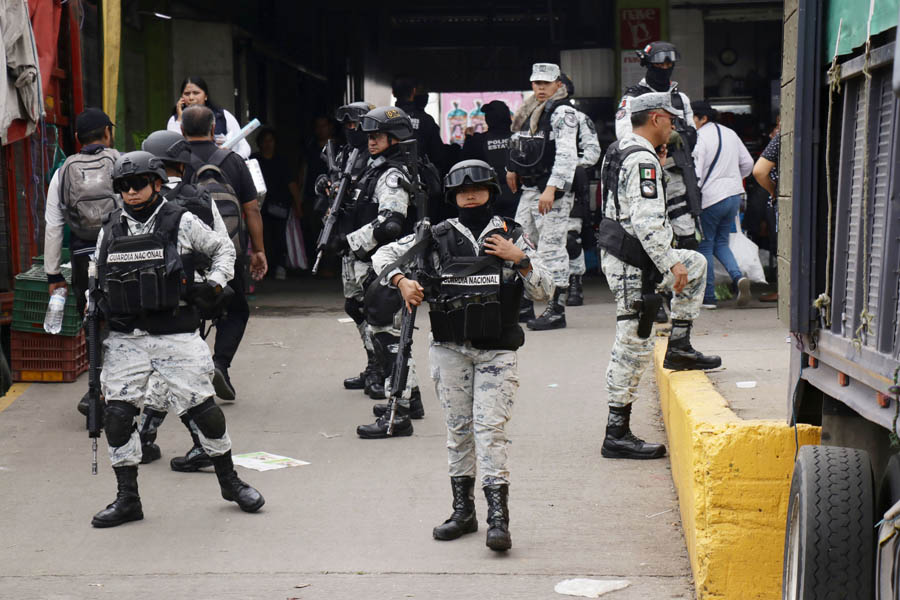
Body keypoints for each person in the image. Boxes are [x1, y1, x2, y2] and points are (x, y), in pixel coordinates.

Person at [372, 159, 553, 551]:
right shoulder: (434, 235)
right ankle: (462, 512)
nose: (470, 195)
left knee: (491, 432)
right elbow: (382, 257)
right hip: (450, 349)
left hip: (497, 351)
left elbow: (546, 290)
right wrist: (403, 282)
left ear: (491, 191)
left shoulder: (513, 233)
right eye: (462, 191)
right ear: (452, 196)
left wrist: (517, 258)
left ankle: (498, 519)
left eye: (478, 189)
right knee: (458, 433)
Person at [89, 151, 263, 527]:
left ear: (156, 183)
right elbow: (95, 274)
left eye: (138, 184)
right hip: (126, 339)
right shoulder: (111, 228)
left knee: (206, 413)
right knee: (118, 418)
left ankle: (230, 481)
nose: (131, 192)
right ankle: (127, 498)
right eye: (123, 186)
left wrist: (216, 285)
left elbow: (223, 248)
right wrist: (93, 304)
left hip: (176, 333)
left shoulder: (179, 220)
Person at [597, 93, 721, 460]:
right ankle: (616, 432)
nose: (674, 126)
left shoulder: (623, 147)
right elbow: (645, 218)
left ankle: (680, 347)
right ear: (655, 118)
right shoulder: (642, 160)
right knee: (633, 342)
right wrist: (670, 261)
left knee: (696, 265)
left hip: (629, 254)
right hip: (632, 260)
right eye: (670, 119)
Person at [136, 129, 229, 470]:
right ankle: (146, 437)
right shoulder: (202, 199)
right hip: (195, 297)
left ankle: (192, 443)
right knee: (170, 367)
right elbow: (222, 244)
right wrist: (215, 285)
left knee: (168, 369)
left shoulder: (142, 201)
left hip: (150, 299)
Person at [343, 106, 422, 439]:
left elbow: (391, 222)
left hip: (388, 261)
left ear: (395, 138)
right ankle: (410, 398)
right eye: (369, 136)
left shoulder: (392, 175)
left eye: (377, 136)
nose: (371, 141)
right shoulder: (380, 168)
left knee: (388, 335)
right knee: (386, 331)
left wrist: (351, 241)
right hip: (383, 261)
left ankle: (399, 412)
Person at [181, 105, 267, 403]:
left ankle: (189, 374)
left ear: (181, 130)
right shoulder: (233, 161)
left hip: (186, 256)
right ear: (213, 130)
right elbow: (251, 208)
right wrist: (258, 251)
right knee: (236, 309)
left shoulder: (175, 160)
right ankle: (220, 364)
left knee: (183, 309)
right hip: (229, 254)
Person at [43, 108, 120, 417]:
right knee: (124, 320)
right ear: (107, 133)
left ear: (76, 138)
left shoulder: (64, 171)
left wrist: (53, 277)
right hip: (119, 253)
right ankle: (121, 390)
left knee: (92, 320)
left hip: (81, 256)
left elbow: (52, 225)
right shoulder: (120, 161)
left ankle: (97, 390)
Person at [507, 63, 579, 330]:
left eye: (545, 84)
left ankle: (556, 309)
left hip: (552, 192)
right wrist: (511, 168)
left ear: (558, 84)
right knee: (519, 243)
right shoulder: (529, 110)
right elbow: (521, 144)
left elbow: (566, 155)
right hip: (529, 187)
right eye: (536, 83)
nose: (539, 88)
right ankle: (525, 305)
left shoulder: (563, 112)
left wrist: (552, 188)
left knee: (551, 249)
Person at [319, 102, 384, 397]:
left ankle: (383, 368)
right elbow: (330, 189)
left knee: (376, 308)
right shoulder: (343, 155)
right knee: (354, 306)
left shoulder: (380, 159)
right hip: (347, 240)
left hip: (374, 244)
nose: (352, 131)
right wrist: (325, 186)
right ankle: (373, 361)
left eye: (357, 125)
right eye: (347, 126)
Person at [691, 100, 754, 309]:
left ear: (703, 118)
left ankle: (709, 298)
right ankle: (738, 278)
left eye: (693, 117)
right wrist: (734, 178)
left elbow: (697, 172)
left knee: (706, 245)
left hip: (711, 198)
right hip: (734, 196)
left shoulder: (700, 137)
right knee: (721, 243)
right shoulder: (730, 133)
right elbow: (749, 164)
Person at [558, 73, 601, 307]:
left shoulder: (579, 118)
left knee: (570, 239)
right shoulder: (535, 117)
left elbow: (593, 152)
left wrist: (567, 166)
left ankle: (575, 284)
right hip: (539, 189)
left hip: (570, 186)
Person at [615, 41, 694, 140]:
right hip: (647, 154)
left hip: (680, 154)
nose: (665, 68)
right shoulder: (632, 98)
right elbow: (623, 135)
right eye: (659, 65)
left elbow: (693, 136)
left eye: (668, 64)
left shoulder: (681, 99)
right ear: (648, 65)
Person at [251, 127, 301, 281]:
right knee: (262, 237)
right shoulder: (254, 160)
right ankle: (265, 267)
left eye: (270, 141)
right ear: (259, 143)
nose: (267, 144)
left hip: (280, 206)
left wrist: (298, 205)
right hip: (259, 207)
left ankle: (279, 265)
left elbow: (292, 184)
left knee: (279, 237)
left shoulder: (282, 161)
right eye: (264, 141)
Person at [166, 76, 251, 159]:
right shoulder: (175, 120)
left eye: (196, 93)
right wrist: (180, 119)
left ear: (205, 96)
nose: (191, 98)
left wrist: (229, 157)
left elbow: (245, 148)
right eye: (187, 94)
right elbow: (174, 149)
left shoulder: (222, 115)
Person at [460, 100, 517, 218]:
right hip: (516, 195)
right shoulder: (518, 138)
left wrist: (468, 139)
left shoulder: (478, 141)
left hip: (489, 197)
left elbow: (464, 163)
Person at [393, 76, 446, 172]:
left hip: (390, 175)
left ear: (393, 93)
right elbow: (438, 155)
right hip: (420, 178)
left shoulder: (386, 118)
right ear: (414, 91)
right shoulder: (426, 120)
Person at [752, 122, 780, 303]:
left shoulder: (782, 138)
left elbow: (759, 171)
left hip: (783, 204)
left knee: (783, 248)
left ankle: (783, 291)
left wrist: (773, 190)